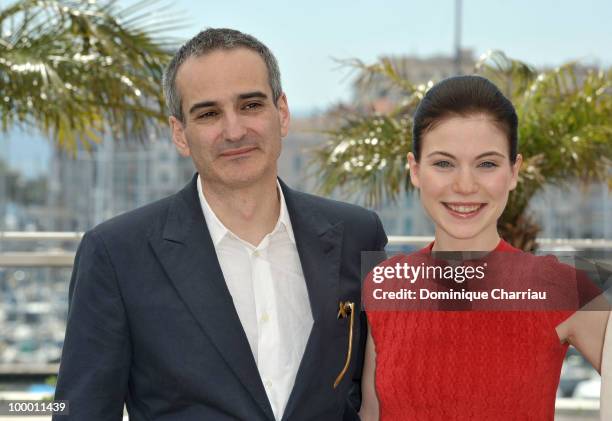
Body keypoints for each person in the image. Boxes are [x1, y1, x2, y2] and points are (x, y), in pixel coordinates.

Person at [53, 28, 387, 421]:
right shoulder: (115, 254)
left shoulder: (358, 234)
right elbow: (80, 411)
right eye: (209, 113)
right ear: (180, 133)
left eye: (250, 105)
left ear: (281, 113)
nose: (233, 131)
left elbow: (378, 389)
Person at [358, 75, 610, 420]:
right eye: (443, 163)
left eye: (487, 164)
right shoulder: (385, 284)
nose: (465, 185)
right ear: (415, 170)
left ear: (513, 172)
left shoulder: (562, 289)